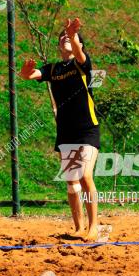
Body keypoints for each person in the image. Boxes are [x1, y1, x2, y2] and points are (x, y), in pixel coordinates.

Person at [20, 17, 100, 241]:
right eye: (62, 37)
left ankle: (94, 227)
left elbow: (79, 51)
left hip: (87, 129)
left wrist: (72, 34)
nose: (65, 38)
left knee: (85, 176)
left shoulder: (82, 64)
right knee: (72, 181)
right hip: (66, 131)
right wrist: (25, 70)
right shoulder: (53, 69)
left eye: (70, 37)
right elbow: (29, 75)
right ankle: (78, 227)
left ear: (79, 44)